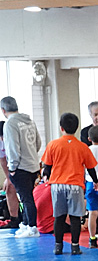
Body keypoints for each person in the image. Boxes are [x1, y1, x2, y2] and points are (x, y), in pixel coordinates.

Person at [41, 113, 98, 255]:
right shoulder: (82, 147)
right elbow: (90, 167)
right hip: (75, 186)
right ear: (77, 128)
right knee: (75, 217)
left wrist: (45, 176)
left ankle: (58, 247)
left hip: (57, 185)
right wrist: (95, 181)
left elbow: (47, 166)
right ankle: (75, 247)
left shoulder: (53, 145)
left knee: (59, 217)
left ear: (61, 128)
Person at [1, 96, 42, 238]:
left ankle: (32, 227)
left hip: (20, 167)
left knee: (26, 199)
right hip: (33, 166)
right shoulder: (29, 120)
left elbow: (13, 148)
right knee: (27, 197)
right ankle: (25, 224)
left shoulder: (10, 124)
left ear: (3, 110)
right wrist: (31, 155)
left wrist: (12, 168)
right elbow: (38, 143)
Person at [0, 121, 21, 229]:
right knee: (9, 188)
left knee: (25, 193)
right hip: (11, 168)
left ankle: (28, 218)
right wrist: (8, 178)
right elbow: (3, 160)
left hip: (23, 167)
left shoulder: (15, 139)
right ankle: (14, 219)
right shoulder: (1, 143)